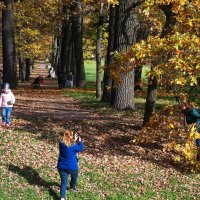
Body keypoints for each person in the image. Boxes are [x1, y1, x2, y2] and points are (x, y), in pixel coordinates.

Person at [57, 130, 84, 200]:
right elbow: (80, 148)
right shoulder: (74, 146)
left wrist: (74, 140)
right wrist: (80, 141)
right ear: (71, 136)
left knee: (64, 182)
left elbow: (68, 144)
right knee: (74, 177)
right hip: (72, 167)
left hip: (61, 166)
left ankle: (62, 198)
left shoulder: (61, 144)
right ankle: (72, 187)